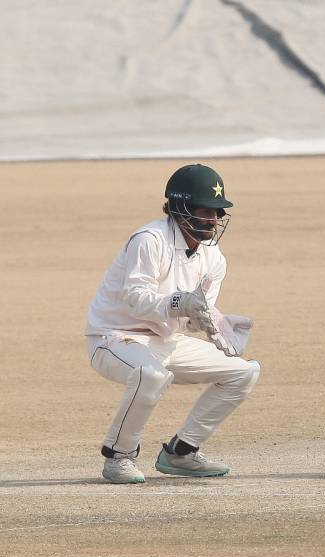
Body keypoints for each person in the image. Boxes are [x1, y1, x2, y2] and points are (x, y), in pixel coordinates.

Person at [85, 163, 261, 484]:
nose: (213, 221)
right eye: (206, 211)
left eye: (218, 212)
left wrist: (215, 321)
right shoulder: (149, 239)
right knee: (150, 374)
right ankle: (118, 457)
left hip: (165, 341)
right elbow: (136, 299)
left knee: (244, 373)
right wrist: (183, 303)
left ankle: (182, 452)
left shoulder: (214, 258)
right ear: (180, 207)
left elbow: (191, 314)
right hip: (113, 338)